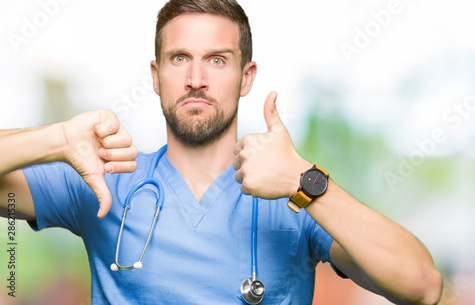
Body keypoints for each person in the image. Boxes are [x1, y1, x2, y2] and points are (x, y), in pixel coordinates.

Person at [0, 0, 443, 304]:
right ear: (155, 76)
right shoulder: (104, 180)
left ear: (246, 76)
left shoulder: (299, 196)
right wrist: (56, 140)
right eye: (179, 58)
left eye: (217, 59)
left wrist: (305, 181)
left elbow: (422, 286)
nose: (196, 78)